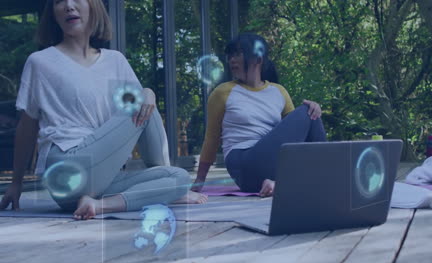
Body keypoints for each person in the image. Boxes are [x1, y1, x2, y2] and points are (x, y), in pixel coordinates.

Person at [0, 0, 207, 220]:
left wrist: (149, 94)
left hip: (94, 182)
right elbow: (27, 124)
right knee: (142, 98)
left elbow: (146, 112)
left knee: (179, 177)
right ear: (52, 13)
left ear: (93, 7)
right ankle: (161, 191)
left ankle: (101, 205)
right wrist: (16, 183)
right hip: (66, 164)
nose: (69, 6)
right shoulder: (40, 62)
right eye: (60, 1)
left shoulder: (115, 60)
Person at [191, 33, 326, 197]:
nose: (232, 60)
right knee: (306, 111)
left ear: (258, 59)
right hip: (243, 163)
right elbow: (211, 138)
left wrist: (315, 108)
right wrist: (199, 180)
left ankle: (279, 183)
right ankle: (325, 177)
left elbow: (296, 136)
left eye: (239, 54)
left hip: (269, 162)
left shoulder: (278, 92)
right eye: (231, 54)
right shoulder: (223, 92)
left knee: (311, 111)